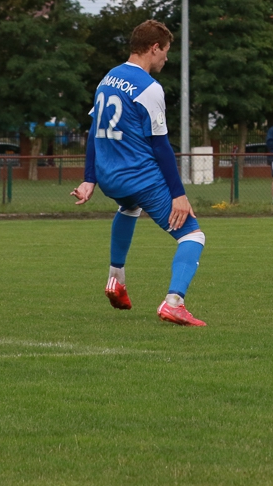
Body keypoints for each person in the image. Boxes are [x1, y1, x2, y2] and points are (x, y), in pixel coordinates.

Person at [71, 20, 207, 326]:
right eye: (166, 51)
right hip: (139, 176)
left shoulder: (108, 78)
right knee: (193, 235)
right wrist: (179, 194)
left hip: (110, 178)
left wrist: (90, 178)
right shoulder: (149, 87)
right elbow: (161, 147)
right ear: (154, 47)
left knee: (129, 207)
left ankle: (115, 279)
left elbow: (93, 131)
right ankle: (174, 302)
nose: (166, 58)